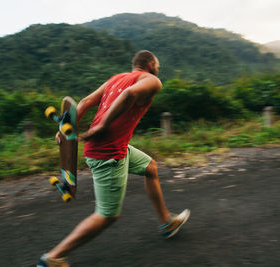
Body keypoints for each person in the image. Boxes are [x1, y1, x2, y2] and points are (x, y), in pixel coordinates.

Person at [38, 50, 190, 267]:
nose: (158, 69)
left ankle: (167, 222)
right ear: (150, 63)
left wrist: (64, 129)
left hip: (115, 148)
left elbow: (86, 101)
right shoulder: (153, 81)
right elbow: (128, 95)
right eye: (157, 65)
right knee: (107, 215)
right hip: (108, 154)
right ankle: (53, 257)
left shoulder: (115, 78)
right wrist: (102, 126)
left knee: (151, 168)